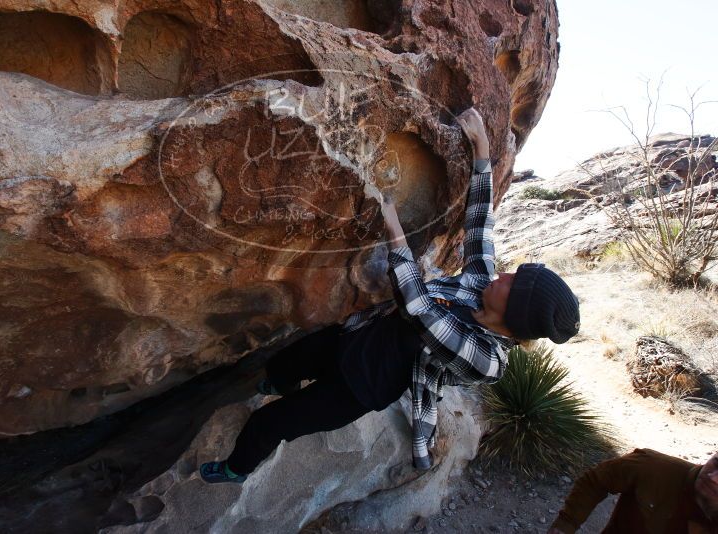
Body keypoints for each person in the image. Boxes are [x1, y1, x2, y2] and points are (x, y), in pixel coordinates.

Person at [200, 108, 581, 484]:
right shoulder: (481, 283)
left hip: (362, 387)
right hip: (355, 337)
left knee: (271, 422)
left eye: (514, 283)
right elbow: (480, 219)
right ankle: (279, 380)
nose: (505, 275)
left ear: (516, 314)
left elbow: (418, 309)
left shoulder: (487, 359)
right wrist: (481, 148)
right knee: (285, 363)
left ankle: (236, 469)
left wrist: (395, 232)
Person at [548, 448, 718, 534]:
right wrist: (564, 526)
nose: (712, 477)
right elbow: (596, 479)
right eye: (716, 463)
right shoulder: (655, 468)